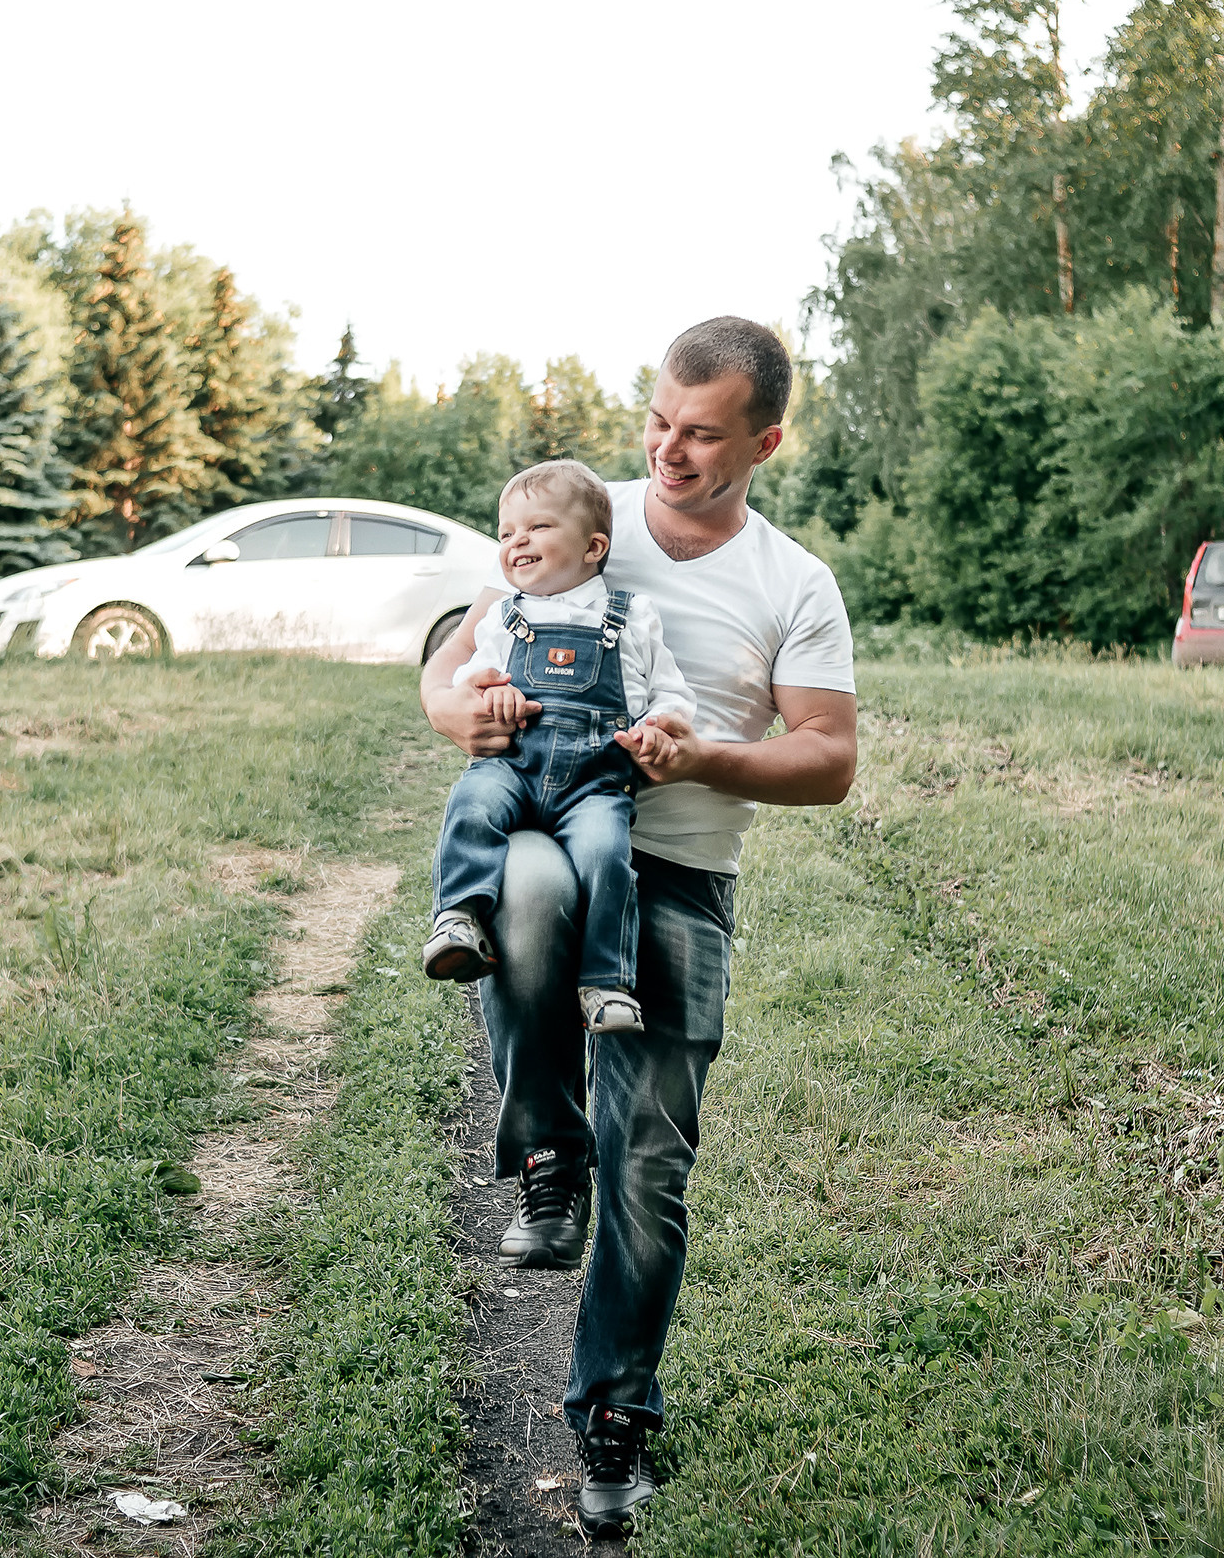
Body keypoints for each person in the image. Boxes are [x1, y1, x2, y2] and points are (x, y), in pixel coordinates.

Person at [419, 316, 857, 1539]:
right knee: (533, 893)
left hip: (682, 872)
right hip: (555, 833)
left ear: (765, 439)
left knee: (655, 1167)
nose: (668, 451)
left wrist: (706, 753)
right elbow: (449, 666)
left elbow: (828, 759)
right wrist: (462, 718)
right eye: (658, 423)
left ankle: (614, 1411)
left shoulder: (793, 583)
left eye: (702, 435)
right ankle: (546, 1147)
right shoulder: (574, 514)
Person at [422, 460, 694, 1035]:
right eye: (506, 532)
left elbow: (669, 689)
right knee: (473, 806)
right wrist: (487, 695)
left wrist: (663, 724)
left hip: (595, 782)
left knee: (607, 854)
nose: (518, 540)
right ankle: (458, 917)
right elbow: (474, 676)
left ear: (594, 546)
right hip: (513, 766)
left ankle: (607, 982)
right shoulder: (503, 616)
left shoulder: (631, 616)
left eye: (538, 527)